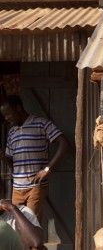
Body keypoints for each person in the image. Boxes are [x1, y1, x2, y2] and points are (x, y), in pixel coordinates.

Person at [0, 95, 69, 223]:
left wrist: (47, 169)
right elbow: (11, 164)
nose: (6, 118)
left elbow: (63, 144)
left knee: (32, 225)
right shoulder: (11, 133)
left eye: (8, 114)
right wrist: (2, 157)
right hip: (17, 187)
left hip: (35, 185)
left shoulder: (41, 123)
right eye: (4, 116)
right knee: (17, 225)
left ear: (18, 108)